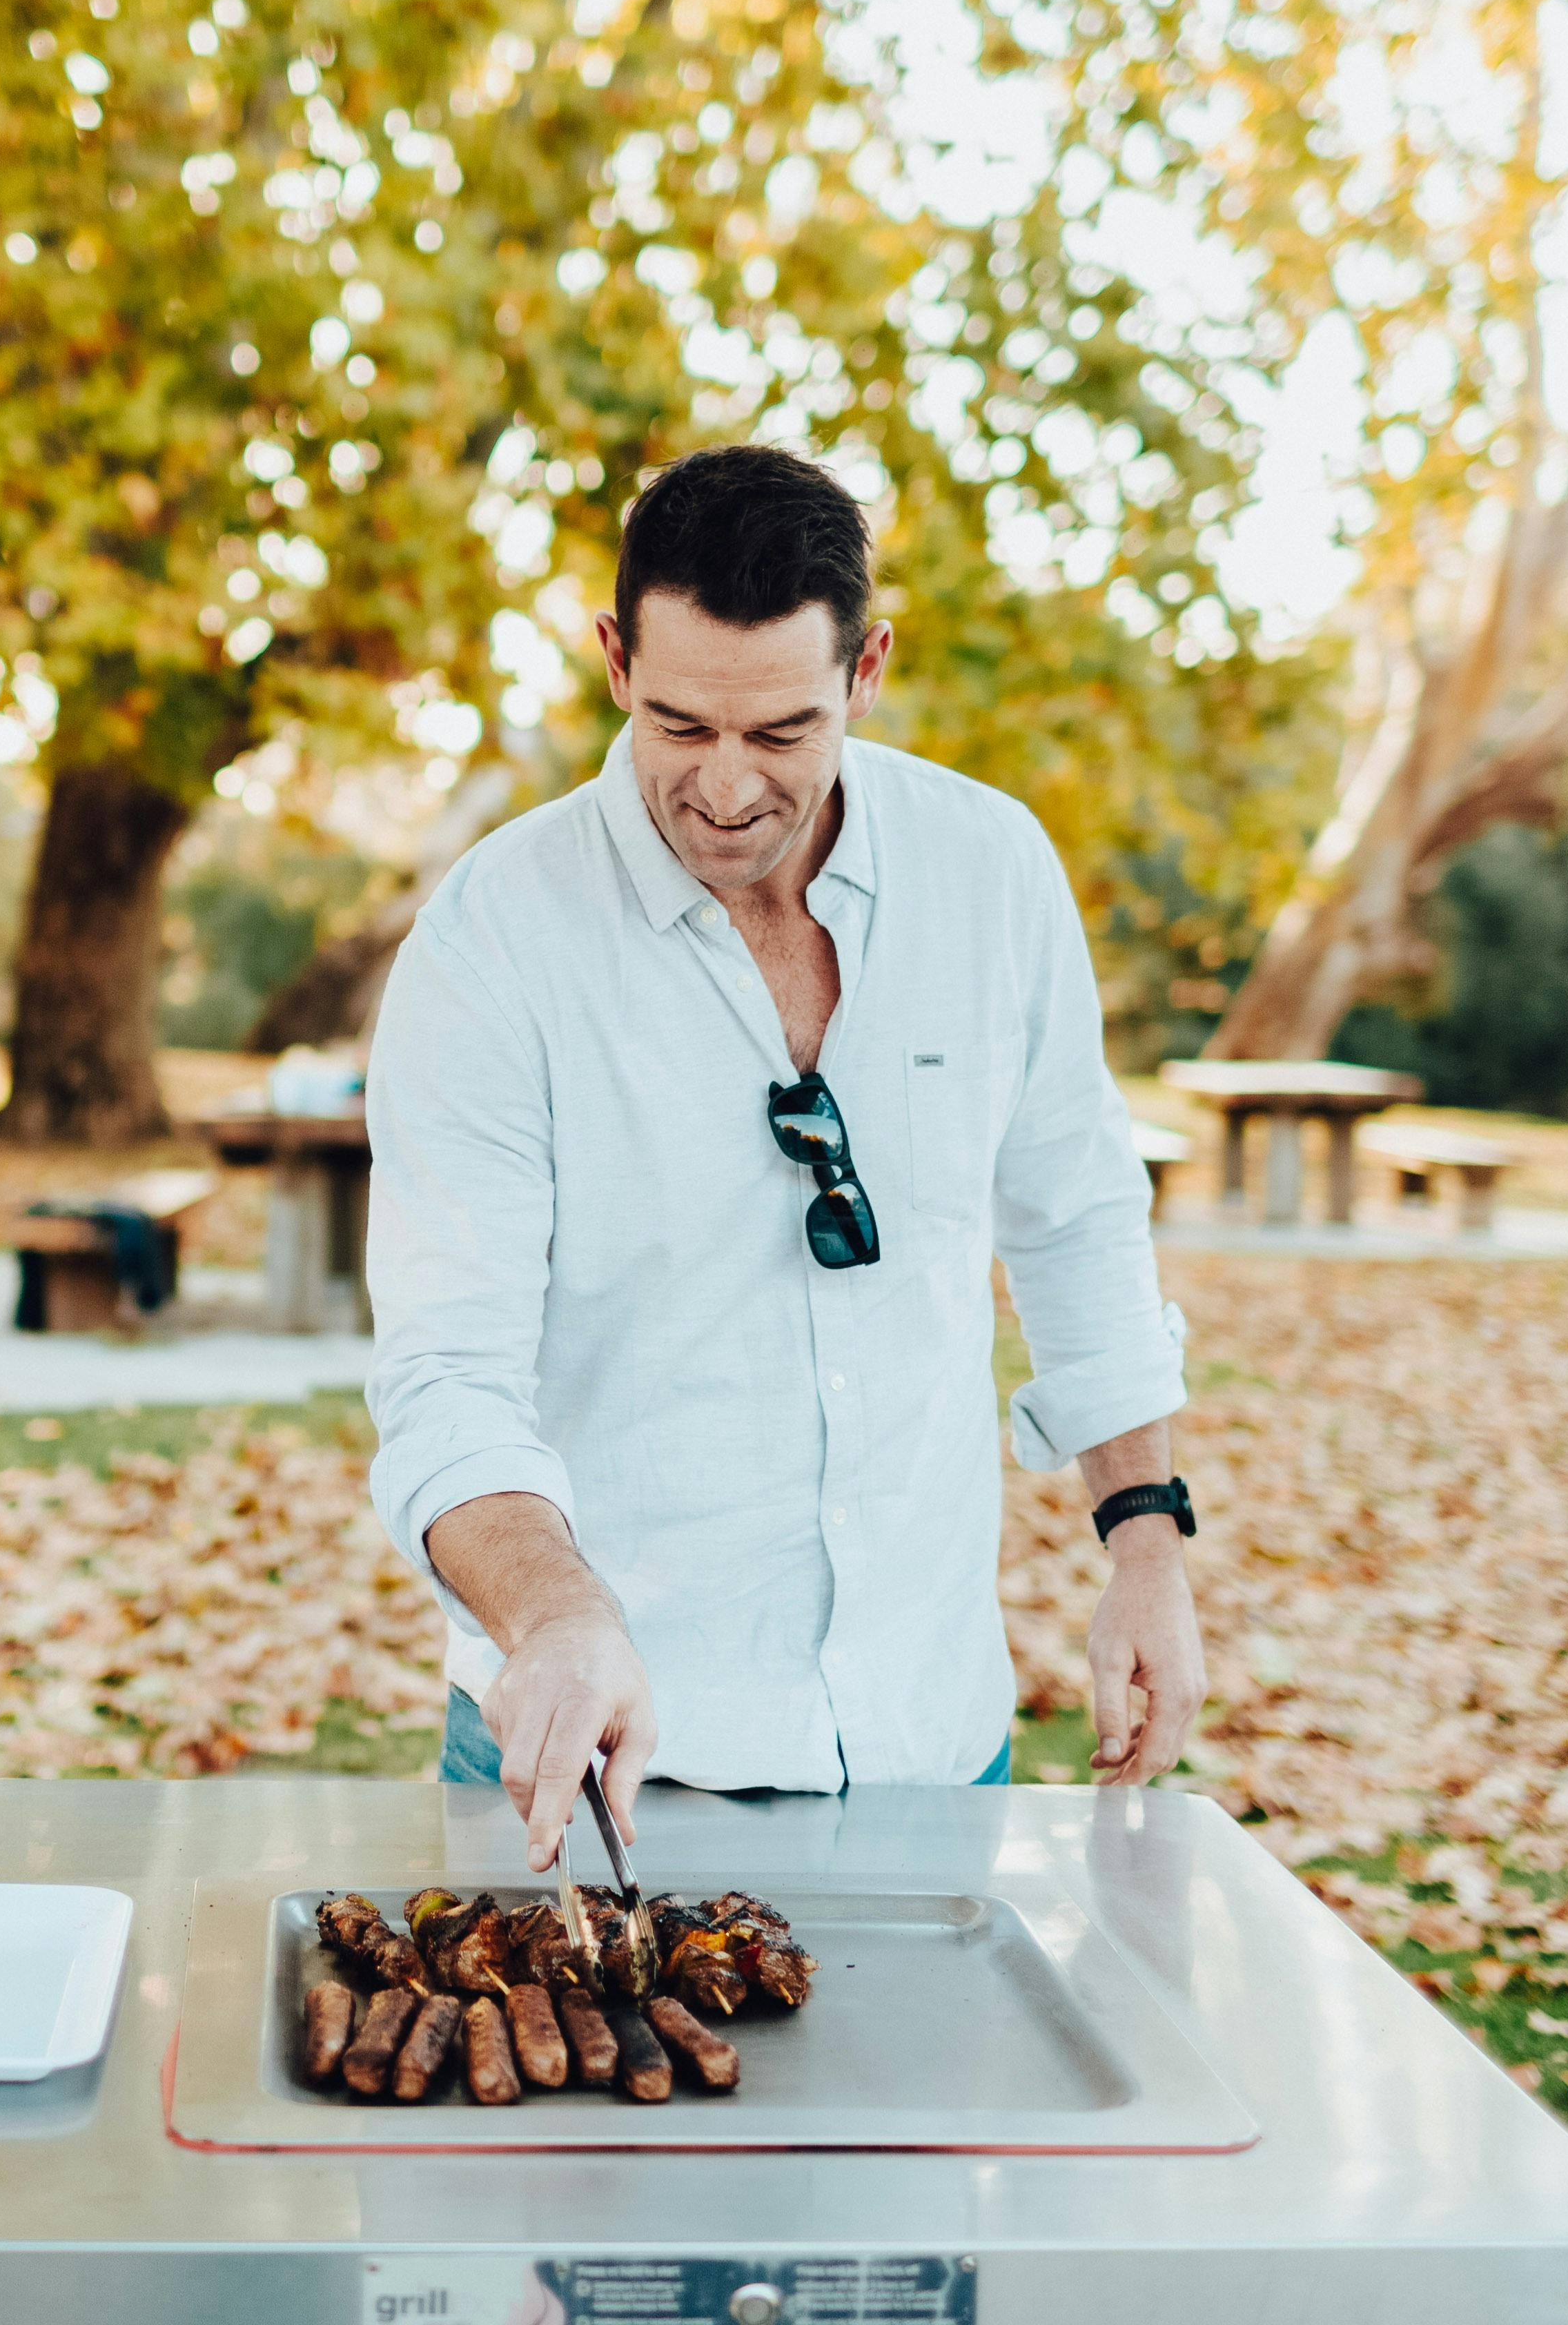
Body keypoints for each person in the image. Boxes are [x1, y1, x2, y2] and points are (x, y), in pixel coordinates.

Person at [363, 444, 1206, 1870]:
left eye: (784, 733)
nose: (731, 790)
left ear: (866, 669)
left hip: (937, 1742)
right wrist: (557, 1619)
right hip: (605, 1750)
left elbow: (1075, 1221)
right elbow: (448, 1372)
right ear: (616, 658)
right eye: (682, 727)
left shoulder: (995, 873)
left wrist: (1146, 1544)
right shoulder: (492, 938)